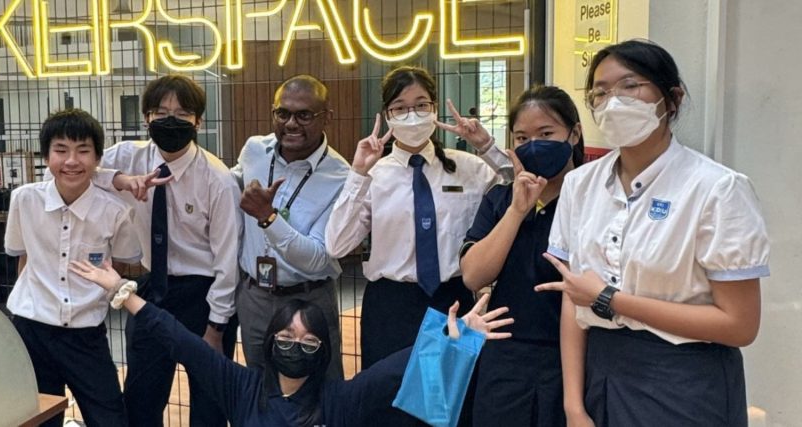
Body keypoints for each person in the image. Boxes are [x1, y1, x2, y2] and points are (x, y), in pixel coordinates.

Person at [536, 39, 770, 427]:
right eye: (600, 92)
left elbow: (739, 325)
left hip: (686, 381)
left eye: (630, 86)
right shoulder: (580, 185)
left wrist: (610, 299)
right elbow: (573, 299)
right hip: (601, 372)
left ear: (671, 99)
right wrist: (573, 406)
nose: (613, 102)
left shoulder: (717, 189)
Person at [68, 259, 513, 427]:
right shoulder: (240, 387)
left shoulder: (341, 400)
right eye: (284, 337)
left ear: (323, 352)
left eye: (307, 341)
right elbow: (182, 342)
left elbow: (396, 369)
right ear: (268, 342)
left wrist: (454, 336)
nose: (294, 346)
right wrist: (123, 293)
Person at [325, 65, 511, 426]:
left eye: (421, 104)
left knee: (450, 410)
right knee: (389, 410)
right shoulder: (373, 174)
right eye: (400, 107)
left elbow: (523, 186)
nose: (412, 115)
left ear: (435, 108)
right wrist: (358, 173)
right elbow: (336, 244)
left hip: (452, 301)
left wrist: (487, 146)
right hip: (391, 306)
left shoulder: (469, 168)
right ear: (387, 115)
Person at [66, 75, 241, 427]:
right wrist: (120, 180)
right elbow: (79, 172)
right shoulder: (127, 156)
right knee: (141, 399)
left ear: (198, 121)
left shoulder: (217, 179)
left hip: (203, 293)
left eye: (182, 113)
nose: (170, 120)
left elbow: (228, 261)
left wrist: (216, 328)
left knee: (210, 403)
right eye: (160, 112)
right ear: (146, 118)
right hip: (150, 289)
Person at [4, 109, 140, 427]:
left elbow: (121, 264)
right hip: (31, 330)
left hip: (86, 335)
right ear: (46, 155)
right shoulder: (24, 200)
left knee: (110, 418)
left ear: (97, 158)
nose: (71, 161)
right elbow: (23, 257)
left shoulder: (115, 212)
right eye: (61, 150)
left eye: (83, 150)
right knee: (39, 419)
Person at [460, 85, 586, 427]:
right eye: (522, 138)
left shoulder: (593, 200)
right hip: (505, 357)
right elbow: (473, 275)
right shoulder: (500, 199)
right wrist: (517, 210)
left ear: (574, 134)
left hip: (574, 359)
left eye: (546, 134)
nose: (533, 145)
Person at [232, 74, 350, 379]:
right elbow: (226, 186)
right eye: (282, 113)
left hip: (309, 297)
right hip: (255, 296)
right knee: (260, 385)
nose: (291, 124)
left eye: (304, 115)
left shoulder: (341, 177)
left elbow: (317, 258)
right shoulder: (254, 151)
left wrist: (268, 218)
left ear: (327, 118)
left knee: (320, 387)